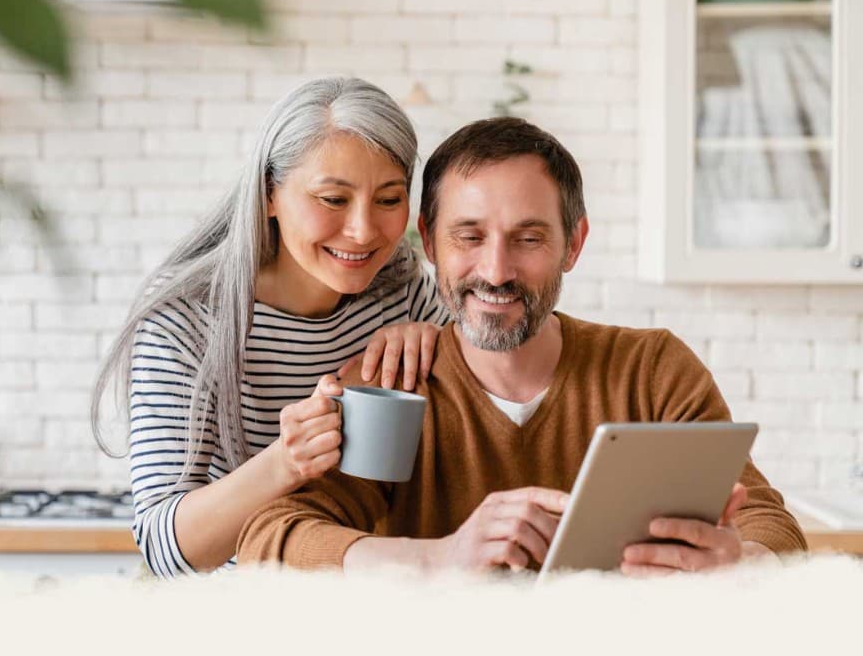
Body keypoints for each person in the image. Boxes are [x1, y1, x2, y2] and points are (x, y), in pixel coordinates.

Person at [237, 117, 807, 576]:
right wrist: (441, 557)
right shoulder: (391, 381)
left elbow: (769, 523)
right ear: (430, 241)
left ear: (573, 244)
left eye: (528, 238)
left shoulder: (651, 370)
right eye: (469, 236)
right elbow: (272, 536)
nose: (496, 270)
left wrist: (739, 558)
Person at [92, 77, 449, 576]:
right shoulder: (187, 318)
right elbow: (165, 549)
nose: (364, 230)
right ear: (268, 195)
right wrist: (286, 461)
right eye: (332, 199)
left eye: (389, 200)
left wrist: (441, 344)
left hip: (373, 594)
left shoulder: (403, 290)